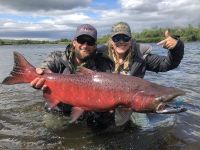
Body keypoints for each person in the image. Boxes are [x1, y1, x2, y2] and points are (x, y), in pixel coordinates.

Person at [97, 22, 184, 127]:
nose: (121, 41)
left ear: (131, 39)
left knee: (145, 128)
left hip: (133, 104)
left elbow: (167, 64)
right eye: (117, 38)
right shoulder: (99, 56)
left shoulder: (141, 56)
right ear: (111, 40)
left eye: (125, 38)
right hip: (105, 103)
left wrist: (176, 48)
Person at [30, 24, 114, 129]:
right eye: (81, 40)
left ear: (95, 45)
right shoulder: (57, 57)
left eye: (90, 42)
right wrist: (39, 73)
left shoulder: (103, 63)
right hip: (59, 109)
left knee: (107, 128)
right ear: (74, 42)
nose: (85, 45)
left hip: (90, 111)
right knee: (53, 129)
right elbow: (44, 69)